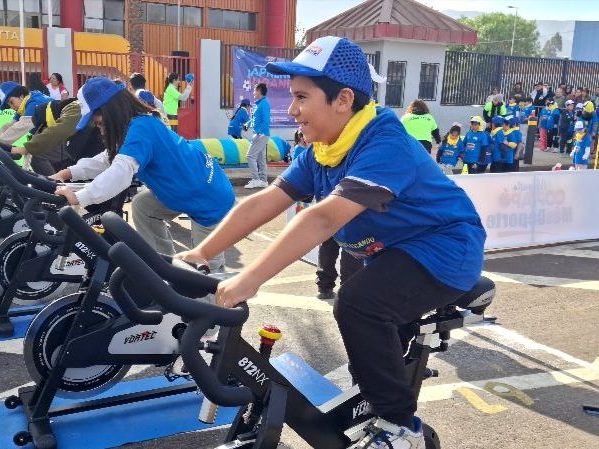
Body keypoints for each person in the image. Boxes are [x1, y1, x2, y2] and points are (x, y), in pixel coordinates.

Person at [176, 36, 485, 449]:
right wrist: (200, 254)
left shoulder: (383, 142)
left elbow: (322, 219)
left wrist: (249, 279)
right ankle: (380, 404)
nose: (293, 109)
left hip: (443, 248)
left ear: (342, 100)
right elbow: (265, 201)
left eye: (302, 97)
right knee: (370, 350)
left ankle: (401, 428)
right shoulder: (322, 149)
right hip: (389, 250)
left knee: (359, 306)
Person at [50, 77, 234, 272]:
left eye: (100, 123)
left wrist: (79, 197)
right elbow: (107, 159)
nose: (100, 130)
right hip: (187, 188)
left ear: (111, 111)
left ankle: (214, 298)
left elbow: (120, 173)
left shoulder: (141, 128)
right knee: (142, 205)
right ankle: (164, 269)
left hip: (207, 196)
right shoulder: (133, 127)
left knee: (205, 270)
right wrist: (67, 172)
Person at [11, 97, 104, 176]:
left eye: (11, 102)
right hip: (87, 151)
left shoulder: (76, 107)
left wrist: (27, 148)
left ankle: (54, 189)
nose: (11, 106)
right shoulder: (76, 106)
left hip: (86, 147)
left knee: (38, 154)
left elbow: (60, 130)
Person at [245, 83, 271, 189]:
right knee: (260, 159)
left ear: (259, 91)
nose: (253, 92)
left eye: (255, 90)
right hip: (261, 133)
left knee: (250, 156)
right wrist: (248, 124)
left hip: (261, 134)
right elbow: (256, 119)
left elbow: (266, 120)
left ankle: (256, 180)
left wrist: (259, 133)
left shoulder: (264, 104)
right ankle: (264, 181)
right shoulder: (260, 103)